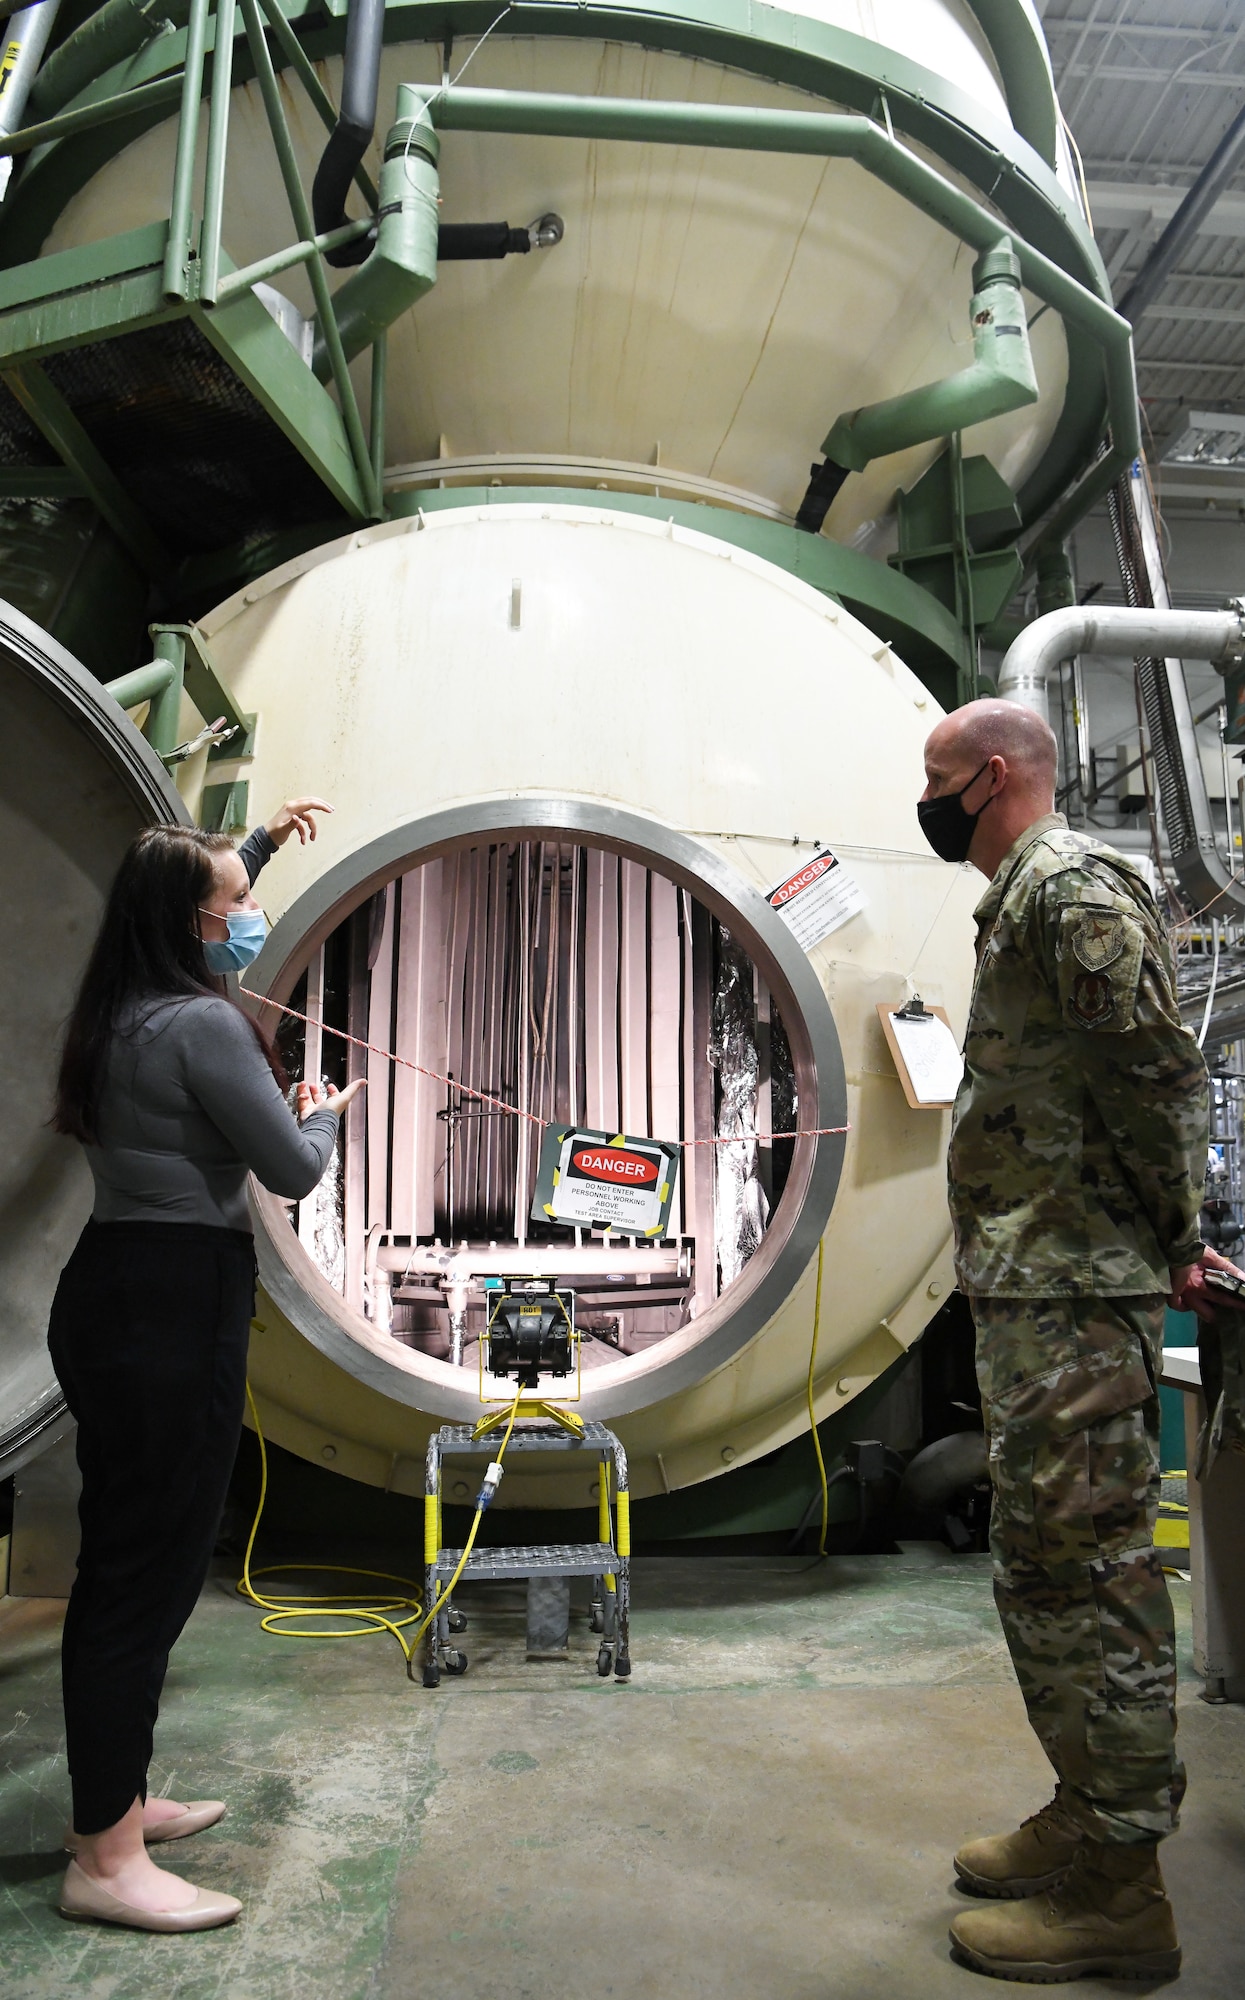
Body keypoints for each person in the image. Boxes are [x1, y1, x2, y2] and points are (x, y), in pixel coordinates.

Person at [917, 699, 1232, 1983]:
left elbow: (1158, 1073)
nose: (925, 800)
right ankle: (1082, 1808)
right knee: (1043, 1560)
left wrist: (1177, 1232)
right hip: (1034, 1287)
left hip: (1076, 1288)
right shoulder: (1026, 901)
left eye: (936, 779)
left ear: (993, 776)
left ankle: (1124, 1885)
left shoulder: (1073, 890)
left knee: (1095, 1569)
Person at [48, 797, 363, 1935]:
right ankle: (106, 1855)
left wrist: (264, 835)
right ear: (189, 922)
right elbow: (289, 1170)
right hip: (171, 1307)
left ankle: (117, 1800)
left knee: (132, 1562)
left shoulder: (120, 1009)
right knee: (142, 1577)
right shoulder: (202, 1025)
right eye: (234, 907)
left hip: (116, 1287)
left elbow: (208, 870)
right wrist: (323, 1115)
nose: (248, 918)